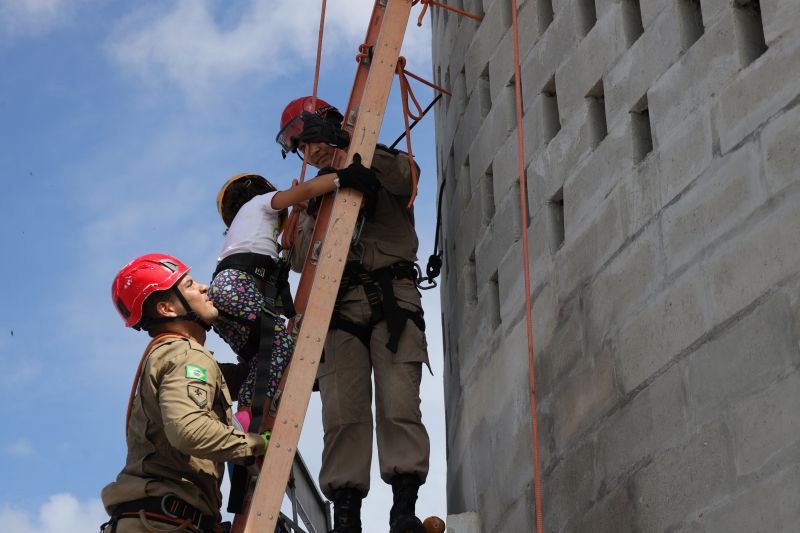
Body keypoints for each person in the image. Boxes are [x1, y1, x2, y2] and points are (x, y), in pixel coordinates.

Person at [277, 96, 431, 533]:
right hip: (336, 307)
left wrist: (363, 157)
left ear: (330, 126)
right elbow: (298, 260)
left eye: (312, 140)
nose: (310, 153)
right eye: (301, 149)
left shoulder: (379, 160)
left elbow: (408, 178)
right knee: (342, 413)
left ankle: (404, 509)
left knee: (400, 401)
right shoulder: (315, 197)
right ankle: (347, 516)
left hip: (391, 296)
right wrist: (309, 204)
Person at [100, 253, 270, 533]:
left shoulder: (168, 355)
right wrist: (257, 444)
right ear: (167, 309)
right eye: (190, 284)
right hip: (165, 522)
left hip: (155, 517)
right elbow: (188, 430)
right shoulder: (186, 354)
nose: (204, 288)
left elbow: (236, 381)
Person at [209, 162, 376, 434]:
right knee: (280, 346)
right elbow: (308, 189)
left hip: (224, 291)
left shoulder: (245, 230)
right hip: (239, 286)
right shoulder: (262, 203)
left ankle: (245, 418)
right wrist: (343, 177)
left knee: (260, 358)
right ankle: (246, 419)